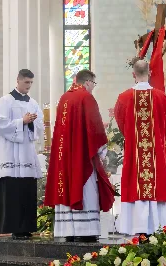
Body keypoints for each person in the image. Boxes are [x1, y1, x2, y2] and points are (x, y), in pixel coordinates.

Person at [45, 69, 115, 243]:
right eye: (93, 85)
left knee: (67, 188)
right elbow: (95, 127)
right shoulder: (86, 97)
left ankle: (69, 230)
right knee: (86, 190)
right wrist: (101, 150)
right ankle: (86, 230)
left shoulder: (64, 98)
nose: (93, 88)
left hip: (65, 156)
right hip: (82, 156)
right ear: (88, 82)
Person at [114, 60, 166, 236]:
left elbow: (121, 124)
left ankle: (137, 228)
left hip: (135, 152)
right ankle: (158, 228)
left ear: (133, 74)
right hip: (155, 153)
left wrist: (134, 137)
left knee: (135, 184)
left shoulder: (124, 98)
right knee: (156, 184)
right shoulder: (161, 97)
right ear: (150, 73)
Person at [0, 69, 44, 240]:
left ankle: (27, 227)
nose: (28, 86)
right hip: (11, 153)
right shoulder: (6, 100)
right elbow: (0, 125)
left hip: (27, 152)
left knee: (27, 189)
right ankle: (14, 227)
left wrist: (32, 123)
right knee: (13, 190)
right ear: (18, 81)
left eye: (31, 83)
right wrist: (21, 121)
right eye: (26, 82)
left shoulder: (33, 102)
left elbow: (39, 126)